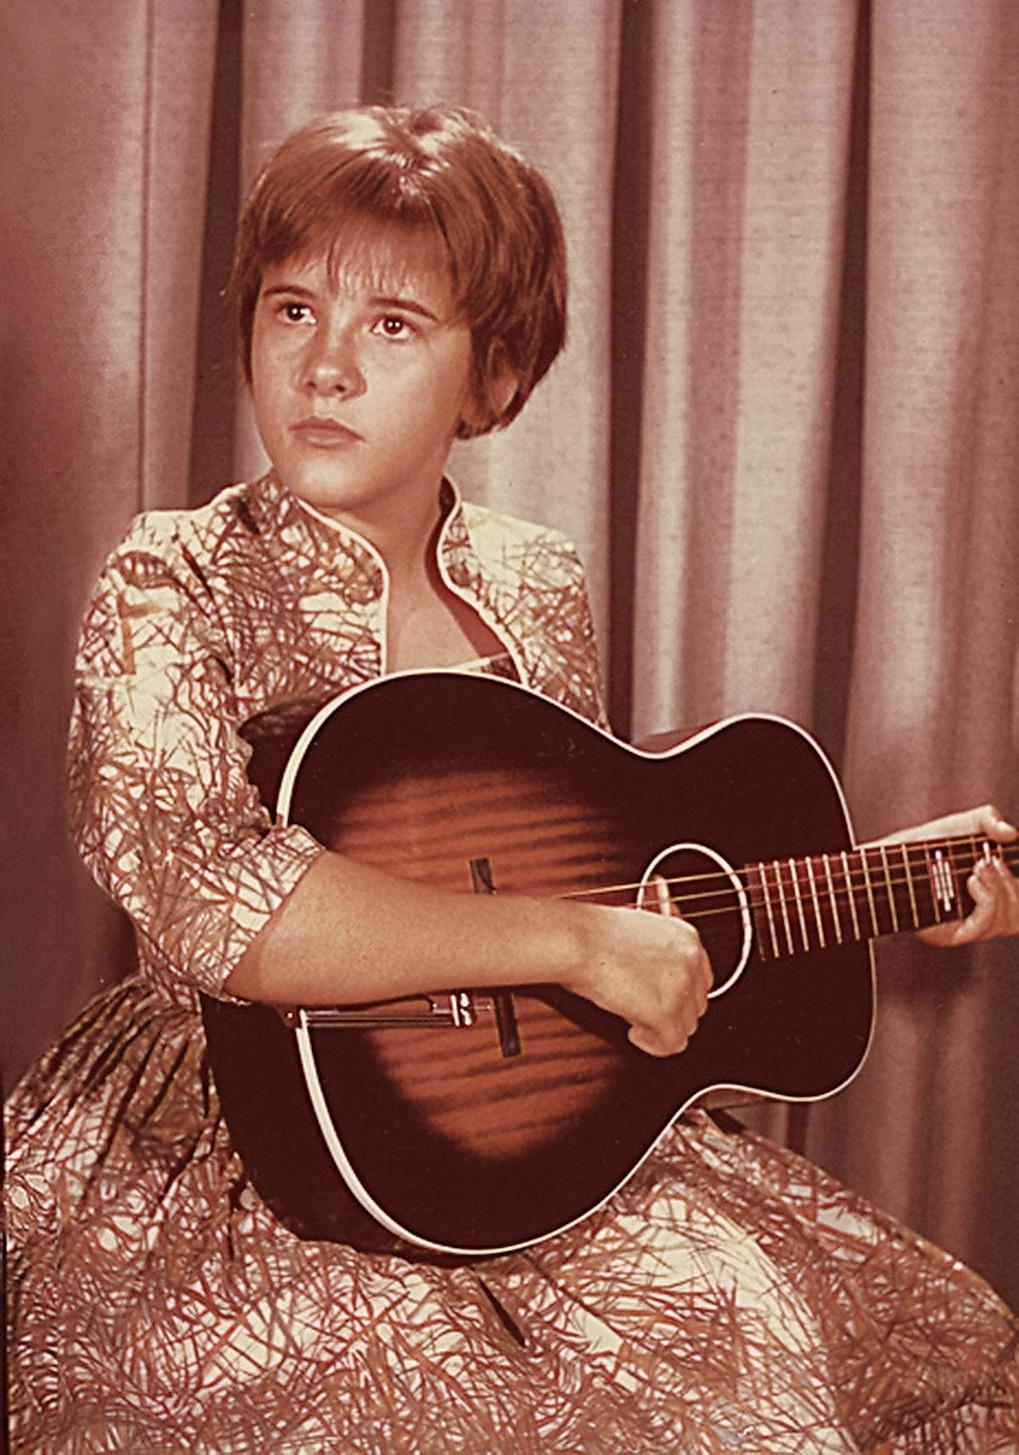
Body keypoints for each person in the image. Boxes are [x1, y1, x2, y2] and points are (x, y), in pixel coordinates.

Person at [5, 103, 1018, 1454]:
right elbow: (216, 902)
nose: (326, 369)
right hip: (231, 1134)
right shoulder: (170, 575)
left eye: (394, 328)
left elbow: (584, 854)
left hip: (507, 1124)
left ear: (491, 377)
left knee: (849, 1360)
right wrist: (578, 940)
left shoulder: (536, 581)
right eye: (293, 310)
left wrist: (894, 879)